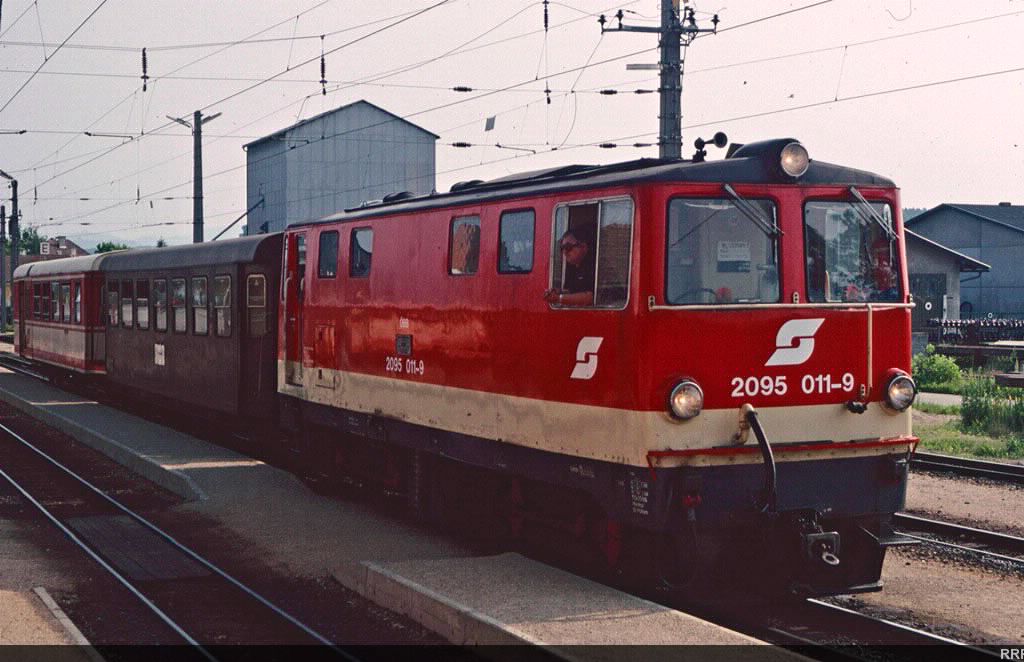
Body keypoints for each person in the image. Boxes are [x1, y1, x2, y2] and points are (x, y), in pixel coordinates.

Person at [544, 228, 595, 306]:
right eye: (562, 248)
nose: (564, 252)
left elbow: (590, 297)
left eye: (568, 247)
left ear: (584, 247)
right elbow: (573, 291)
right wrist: (558, 292)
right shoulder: (571, 269)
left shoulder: (593, 267)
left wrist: (559, 298)